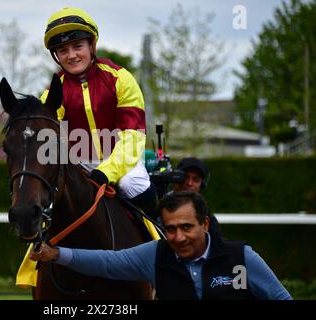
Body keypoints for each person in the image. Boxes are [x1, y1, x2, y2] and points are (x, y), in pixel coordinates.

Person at [30, 191, 292, 300]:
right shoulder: (155, 256)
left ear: (205, 224)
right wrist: (57, 254)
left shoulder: (242, 258)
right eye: (170, 229)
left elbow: (281, 298)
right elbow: (107, 262)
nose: (178, 237)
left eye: (187, 227)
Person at [41, 7, 157, 216]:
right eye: (63, 50)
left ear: (92, 45)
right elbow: (48, 136)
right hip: (78, 164)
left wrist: (107, 171)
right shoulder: (53, 90)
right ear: (56, 56)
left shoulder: (120, 78)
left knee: (134, 184)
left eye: (78, 46)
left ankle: (159, 236)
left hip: (122, 159)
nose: (71, 55)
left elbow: (132, 136)